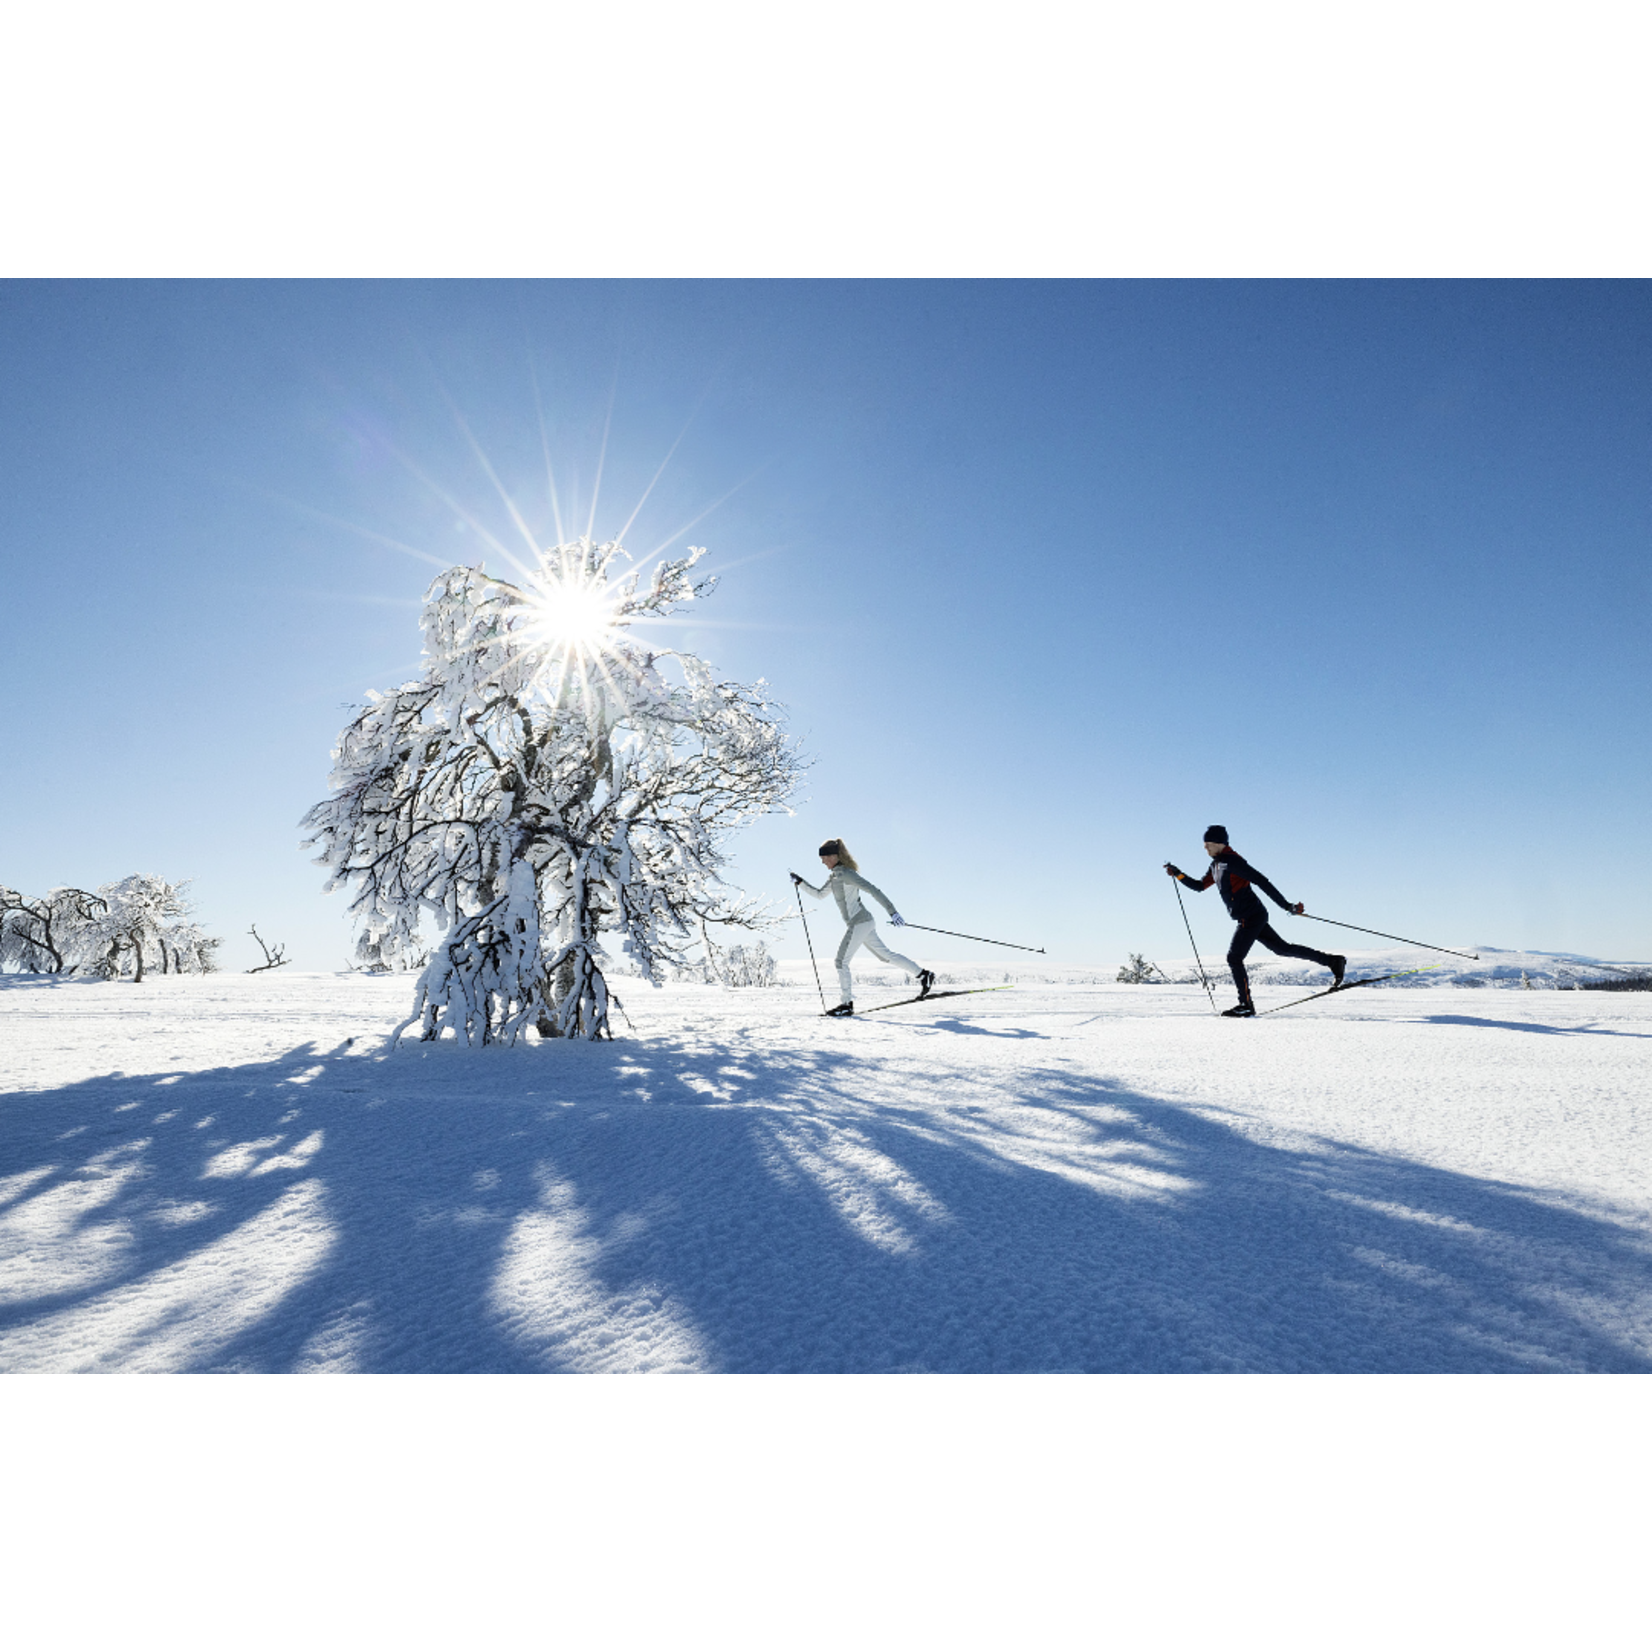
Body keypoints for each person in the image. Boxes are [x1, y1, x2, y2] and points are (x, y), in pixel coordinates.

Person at [1164, 825, 1344, 1018]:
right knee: (1282, 949)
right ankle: (1334, 961)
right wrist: (1178, 874)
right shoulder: (1216, 865)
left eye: (1207, 845)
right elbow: (1199, 886)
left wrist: (1286, 905)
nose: (1205, 849)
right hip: (1251, 915)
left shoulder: (1233, 861)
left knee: (1234, 958)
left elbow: (1261, 880)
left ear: (1218, 843)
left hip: (1251, 916)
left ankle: (1246, 1005)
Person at [793, 839, 935, 1016]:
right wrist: (800, 883)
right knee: (886, 956)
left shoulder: (847, 874)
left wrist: (893, 912)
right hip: (863, 923)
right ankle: (923, 975)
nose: (822, 861)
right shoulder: (834, 877)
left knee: (840, 961)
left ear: (834, 856)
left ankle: (846, 1004)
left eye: (824, 857)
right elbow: (820, 895)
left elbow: (873, 890)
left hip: (860, 922)